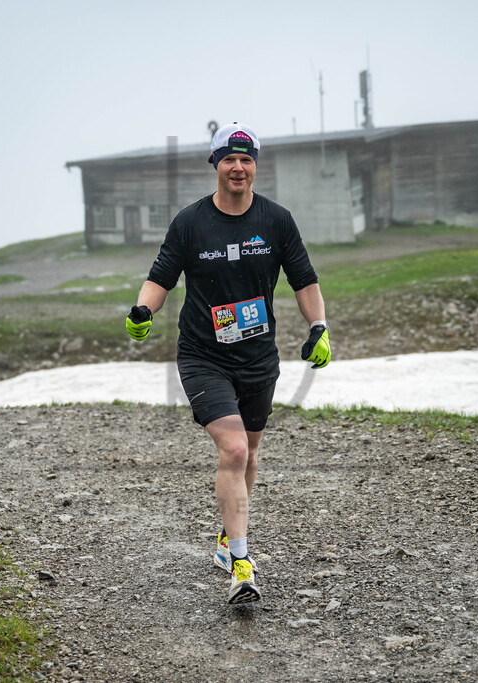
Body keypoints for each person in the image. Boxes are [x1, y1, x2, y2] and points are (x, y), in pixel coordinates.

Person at [125, 122, 331, 605]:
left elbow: (304, 281)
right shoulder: (191, 223)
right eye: (229, 159)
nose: (238, 167)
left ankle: (225, 537)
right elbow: (161, 278)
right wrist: (142, 311)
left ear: (255, 165)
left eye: (246, 159)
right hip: (203, 356)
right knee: (235, 450)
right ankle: (241, 563)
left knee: (249, 454)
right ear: (215, 165)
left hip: (258, 358)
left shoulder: (277, 221)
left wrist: (319, 327)